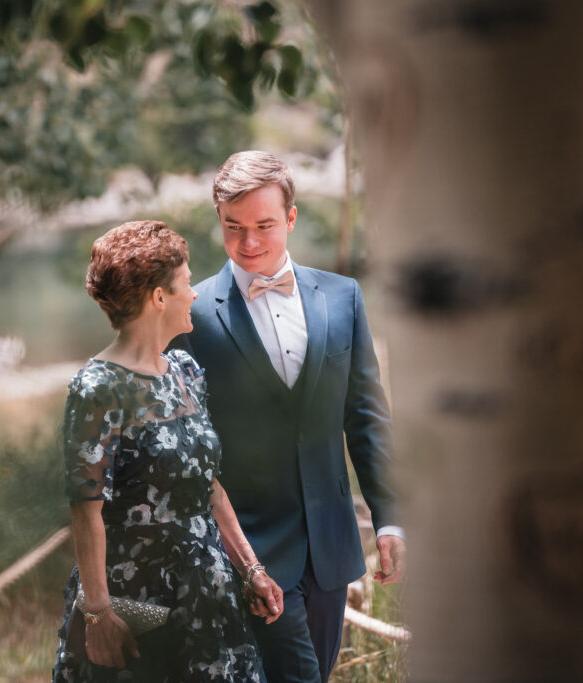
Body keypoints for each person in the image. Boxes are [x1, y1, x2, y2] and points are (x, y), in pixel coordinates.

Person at [171, 151, 404, 682]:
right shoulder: (192, 315)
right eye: (233, 227)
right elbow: (187, 446)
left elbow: (366, 417)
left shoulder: (344, 297)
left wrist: (389, 517)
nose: (249, 242)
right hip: (247, 550)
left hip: (332, 547)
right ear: (218, 220)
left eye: (264, 226)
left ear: (291, 218)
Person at [51, 220, 284, 682]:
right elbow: (85, 510)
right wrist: (97, 614)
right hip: (134, 605)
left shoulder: (185, 371)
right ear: (159, 297)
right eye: (186, 282)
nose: (194, 293)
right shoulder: (97, 388)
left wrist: (251, 569)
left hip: (208, 595)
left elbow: (208, 486)